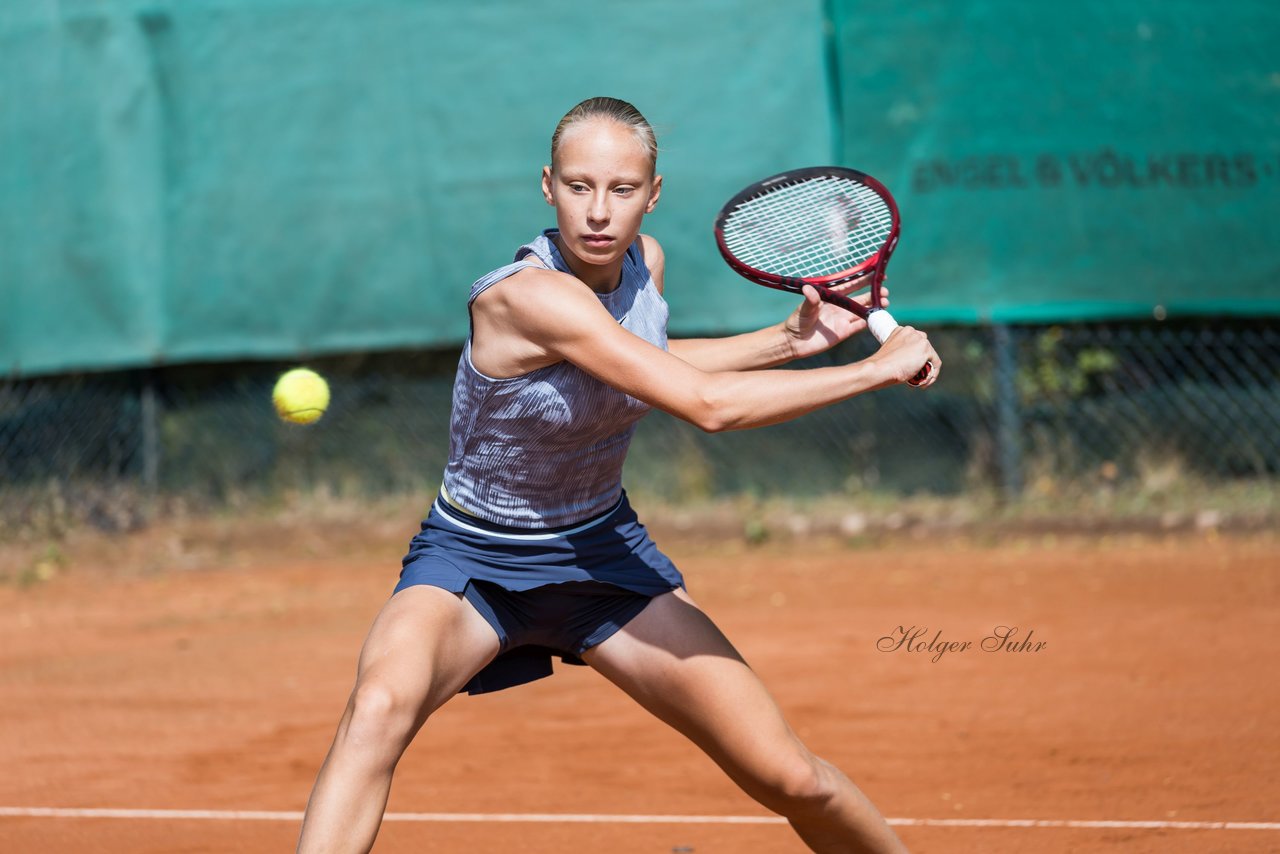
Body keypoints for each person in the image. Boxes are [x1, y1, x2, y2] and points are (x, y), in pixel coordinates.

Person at [297, 96, 937, 854]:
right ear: (547, 186)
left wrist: (786, 341)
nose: (599, 212)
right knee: (377, 709)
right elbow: (704, 407)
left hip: (603, 558)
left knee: (791, 777)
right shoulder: (525, 297)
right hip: (473, 560)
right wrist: (877, 369)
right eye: (578, 186)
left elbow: (642, 368)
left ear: (653, 194)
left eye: (622, 190)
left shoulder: (645, 266)